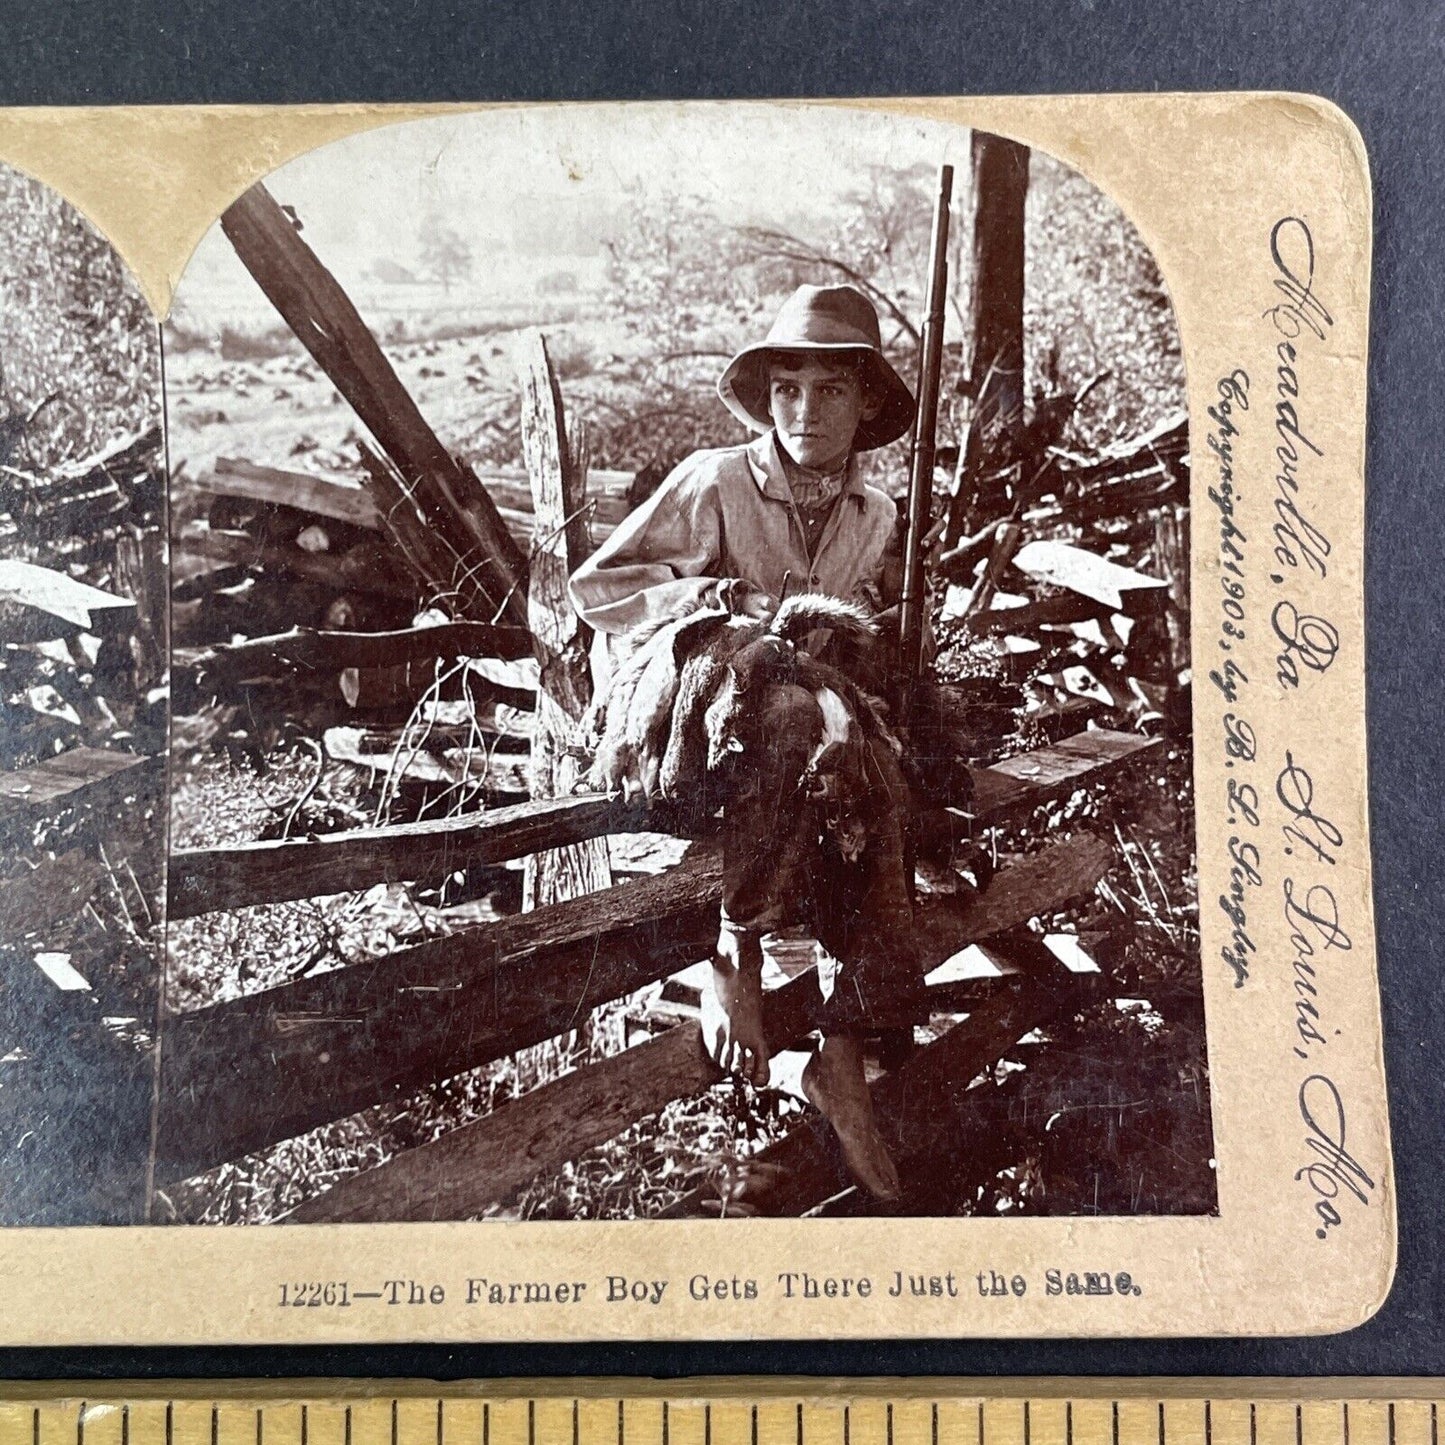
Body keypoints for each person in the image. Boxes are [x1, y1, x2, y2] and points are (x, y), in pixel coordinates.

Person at [569, 283, 926, 1201]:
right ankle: (733, 957)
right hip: (687, 722)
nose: (806, 410)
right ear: (766, 400)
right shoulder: (715, 479)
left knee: (877, 758)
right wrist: (719, 608)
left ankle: (842, 1048)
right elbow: (599, 589)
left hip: (789, 739)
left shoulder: (874, 515)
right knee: (790, 714)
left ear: (868, 403)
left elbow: (845, 633)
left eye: (831, 391)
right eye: (788, 390)